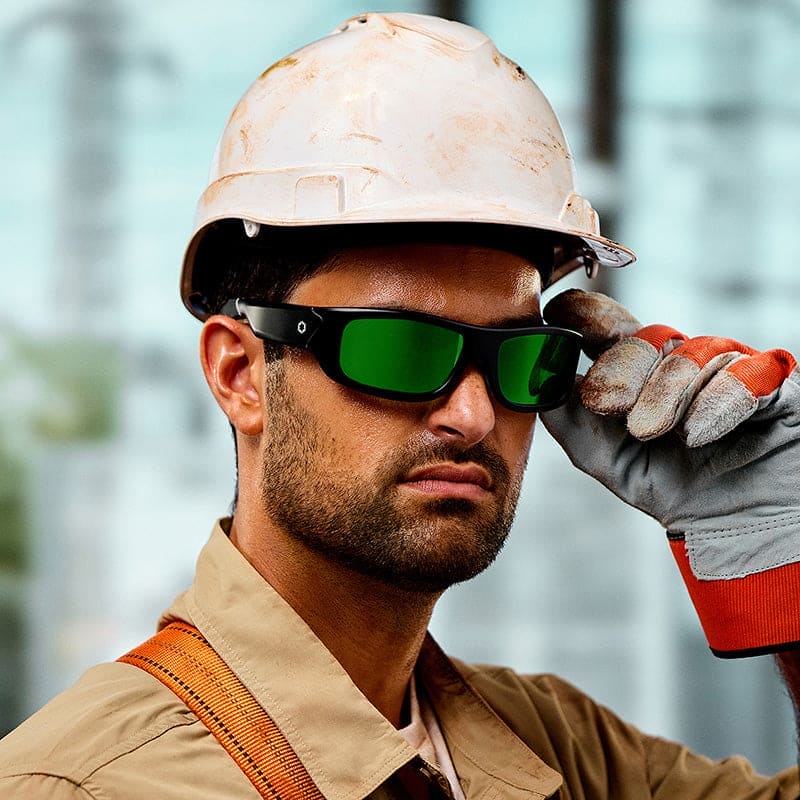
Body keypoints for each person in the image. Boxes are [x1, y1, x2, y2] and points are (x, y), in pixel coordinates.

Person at [1, 11, 799, 799]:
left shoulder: (565, 754)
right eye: (403, 350)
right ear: (240, 372)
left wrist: (785, 539)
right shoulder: (84, 785)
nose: (475, 416)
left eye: (521, 358)